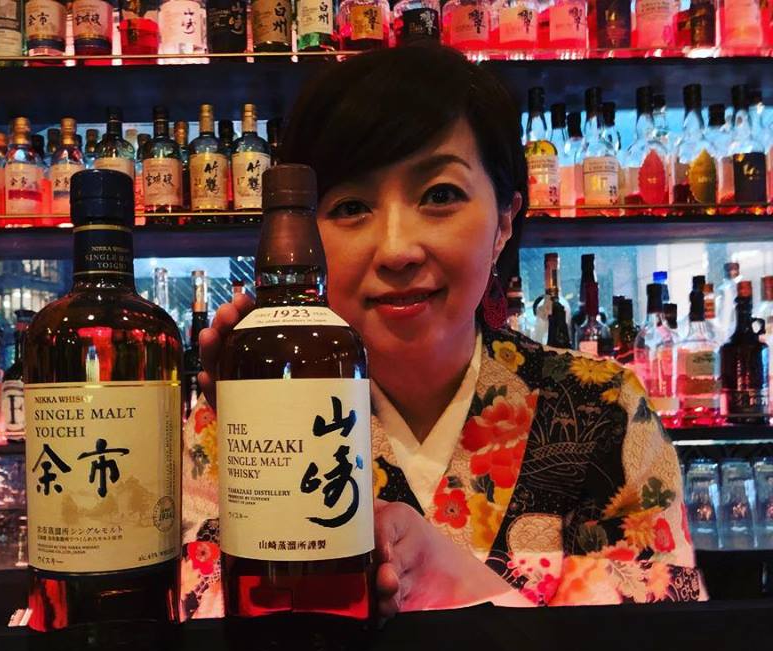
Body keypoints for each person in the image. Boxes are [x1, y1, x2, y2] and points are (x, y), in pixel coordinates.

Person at [180, 45, 703, 620]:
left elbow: (653, 648)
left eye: (440, 195)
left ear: (504, 220)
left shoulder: (604, 408)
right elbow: (200, 621)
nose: (397, 249)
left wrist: (452, 579)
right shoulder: (237, 411)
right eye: (350, 206)